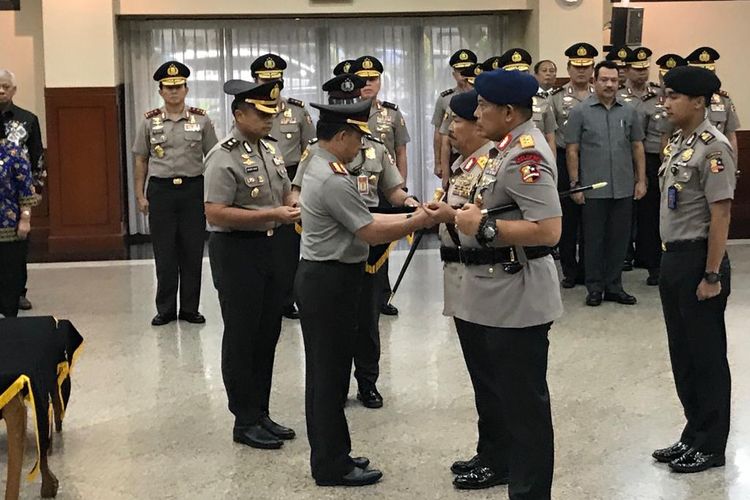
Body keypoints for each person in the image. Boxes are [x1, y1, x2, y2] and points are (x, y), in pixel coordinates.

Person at [426, 68, 563, 499]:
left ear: (508, 112)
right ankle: (501, 463)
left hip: (517, 296)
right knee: (497, 392)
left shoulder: (527, 156)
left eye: (483, 105)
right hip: (491, 292)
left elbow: (548, 230)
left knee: (525, 407)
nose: (476, 111)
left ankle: (529, 491)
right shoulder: (503, 150)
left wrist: (483, 226)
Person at [294, 98, 430, 487]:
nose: (360, 147)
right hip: (329, 281)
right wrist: (418, 220)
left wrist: (411, 216)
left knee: (330, 373)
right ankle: (331, 465)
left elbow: (369, 218)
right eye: (357, 138)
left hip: (331, 277)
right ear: (341, 136)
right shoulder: (331, 178)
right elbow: (369, 230)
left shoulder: (323, 167)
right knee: (328, 376)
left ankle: (335, 451)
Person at [292, 73, 420, 409]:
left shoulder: (376, 148)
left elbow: (393, 189)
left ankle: (368, 382)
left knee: (367, 317)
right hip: (345, 237)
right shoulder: (318, 157)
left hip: (372, 239)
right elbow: (298, 191)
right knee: (333, 332)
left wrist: (409, 204)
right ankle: (335, 388)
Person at [204, 79, 299, 450]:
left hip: (273, 249)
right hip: (237, 252)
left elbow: (285, 186)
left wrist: (290, 197)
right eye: (261, 114)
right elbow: (214, 211)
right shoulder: (222, 156)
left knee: (267, 334)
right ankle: (243, 420)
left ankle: (261, 412)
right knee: (243, 336)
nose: (269, 120)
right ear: (238, 114)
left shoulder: (269, 149)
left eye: (271, 114)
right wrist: (270, 214)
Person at [652, 65, 735, 474]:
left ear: (698, 102)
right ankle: (693, 433)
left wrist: (712, 274)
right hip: (674, 257)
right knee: (682, 354)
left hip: (700, 259)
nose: (665, 102)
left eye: (673, 96)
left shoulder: (713, 147)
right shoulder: (680, 142)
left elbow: (721, 215)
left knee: (707, 357)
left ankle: (712, 444)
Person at [426, 90, 498, 488]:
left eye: (457, 121)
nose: (450, 129)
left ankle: (498, 456)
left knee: (491, 374)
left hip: (483, 277)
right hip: (460, 276)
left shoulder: (491, 164)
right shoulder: (465, 163)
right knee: (480, 373)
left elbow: (483, 219)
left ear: (477, 124)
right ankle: (488, 447)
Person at [132, 61, 218, 326]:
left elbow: (214, 157)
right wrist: (140, 195)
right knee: (165, 253)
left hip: (193, 190)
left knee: (192, 251)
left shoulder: (201, 119)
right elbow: (141, 160)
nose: (173, 92)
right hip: (161, 191)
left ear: (186, 89)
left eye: (178, 86)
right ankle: (166, 309)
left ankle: (190, 308)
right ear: (160, 91)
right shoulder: (149, 122)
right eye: (168, 87)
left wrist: (211, 197)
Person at [565, 60, 646, 306]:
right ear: (594, 81)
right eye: (604, 80)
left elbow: (637, 146)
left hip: (622, 187)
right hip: (592, 188)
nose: (609, 84)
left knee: (620, 239)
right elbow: (572, 150)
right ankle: (595, 287)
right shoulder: (580, 111)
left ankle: (614, 285)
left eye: (613, 80)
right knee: (593, 239)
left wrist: (641, 180)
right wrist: (575, 183)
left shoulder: (629, 111)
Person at [251, 53, 316, 320]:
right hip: (258, 177)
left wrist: (302, 185)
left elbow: (310, 150)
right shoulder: (250, 110)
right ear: (255, 81)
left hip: (291, 177)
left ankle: (287, 300)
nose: (270, 84)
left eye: (275, 79)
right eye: (264, 80)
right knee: (262, 241)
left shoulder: (298, 110)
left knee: (289, 245)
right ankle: (264, 295)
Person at [351, 55, 411, 316]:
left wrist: (402, 187)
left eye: (372, 79)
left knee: (382, 241)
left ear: (380, 81)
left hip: (383, 184)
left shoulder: (391, 113)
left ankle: (381, 296)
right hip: (351, 186)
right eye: (362, 80)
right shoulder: (345, 110)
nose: (367, 84)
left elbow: (400, 152)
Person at [549, 43, 597, 289]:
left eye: (586, 66)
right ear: (568, 68)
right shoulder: (555, 98)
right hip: (562, 159)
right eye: (576, 66)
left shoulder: (599, 96)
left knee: (591, 219)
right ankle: (570, 270)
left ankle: (589, 270)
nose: (581, 71)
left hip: (592, 159)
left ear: (592, 69)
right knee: (567, 219)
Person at [0, 69, 45, 311]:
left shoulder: (27, 119)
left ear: (14, 90)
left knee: (17, 249)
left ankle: (17, 292)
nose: (1, 90)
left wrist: (36, 190)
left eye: (6, 86)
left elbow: (37, 157)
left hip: (18, 194)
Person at [620, 47, 664, 285]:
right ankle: (626, 253)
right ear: (626, 70)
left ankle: (648, 257)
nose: (642, 73)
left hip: (650, 158)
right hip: (622, 158)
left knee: (649, 212)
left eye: (645, 68)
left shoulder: (658, 94)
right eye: (637, 69)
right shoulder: (618, 94)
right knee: (627, 210)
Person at [0, 130, 36, 318]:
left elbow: (25, 188)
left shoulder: (13, 152)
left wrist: (25, 217)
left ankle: (9, 320)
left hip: (9, 225)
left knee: (9, 275)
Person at [685, 47, 740, 156]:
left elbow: (731, 137)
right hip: (688, 158)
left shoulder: (724, 101)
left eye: (711, 72)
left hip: (717, 157)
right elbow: (667, 136)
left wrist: (733, 168)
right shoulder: (683, 100)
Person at [499, 48, 556, 151]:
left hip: (538, 157)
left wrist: (552, 165)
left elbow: (550, 139)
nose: (518, 77)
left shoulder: (542, 101)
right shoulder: (497, 105)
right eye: (513, 73)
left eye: (523, 72)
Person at [432, 49, 477, 180]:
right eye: (460, 70)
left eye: (468, 69)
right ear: (454, 74)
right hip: (455, 154)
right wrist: (438, 163)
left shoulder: (485, 98)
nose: (464, 74)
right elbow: (440, 133)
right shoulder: (446, 98)